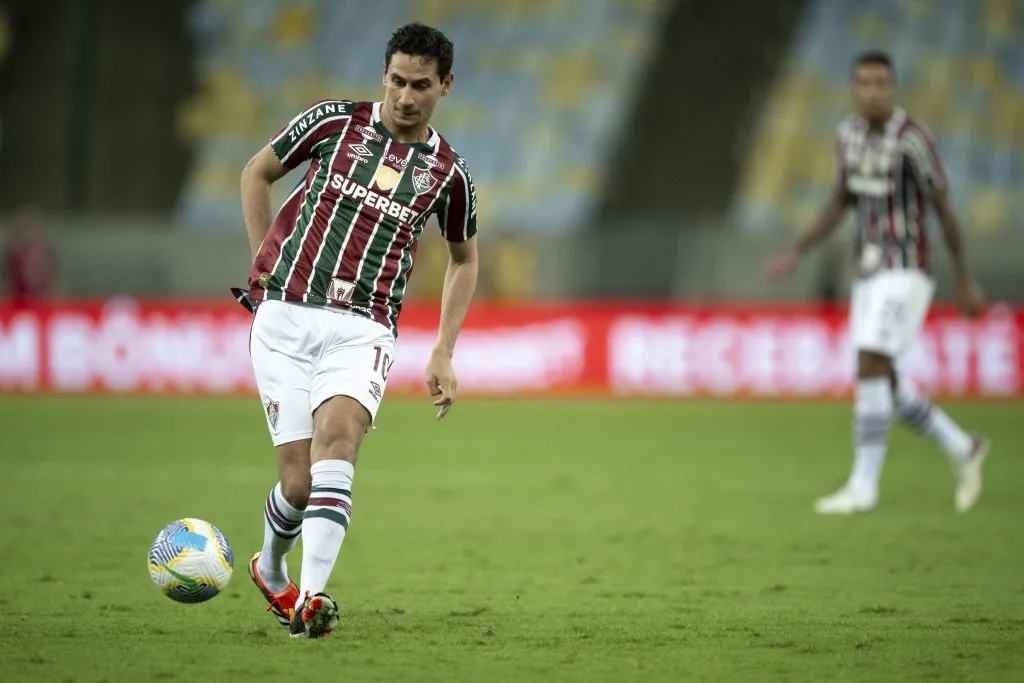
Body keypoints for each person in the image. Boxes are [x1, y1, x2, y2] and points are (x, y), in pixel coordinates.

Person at [237, 22, 478, 637]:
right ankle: (270, 566)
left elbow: (464, 259)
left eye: (421, 85)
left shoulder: (449, 174)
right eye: (397, 80)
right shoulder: (333, 122)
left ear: (445, 86)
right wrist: (264, 259)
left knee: (339, 441)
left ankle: (310, 600)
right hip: (284, 320)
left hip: (362, 329)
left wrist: (444, 350)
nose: (405, 96)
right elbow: (255, 173)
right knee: (296, 483)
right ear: (384, 75)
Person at [766, 50, 989, 516]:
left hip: (907, 269)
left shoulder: (913, 141)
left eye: (881, 83)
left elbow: (944, 209)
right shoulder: (846, 136)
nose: (873, 92)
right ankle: (962, 446)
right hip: (866, 271)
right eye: (864, 83)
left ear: (894, 88)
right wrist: (796, 251)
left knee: (870, 361)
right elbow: (838, 203)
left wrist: (965, 279)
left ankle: (863, 486)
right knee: (880, 378)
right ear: (853, 89)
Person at [3, 206, 56, 307]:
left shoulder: (44, 251)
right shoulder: (14, 253)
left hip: (41, 300)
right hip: (18, 301)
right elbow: (7, 279)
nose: (28, 231)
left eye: (31, 226)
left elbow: (51, 277)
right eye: (25, 227)